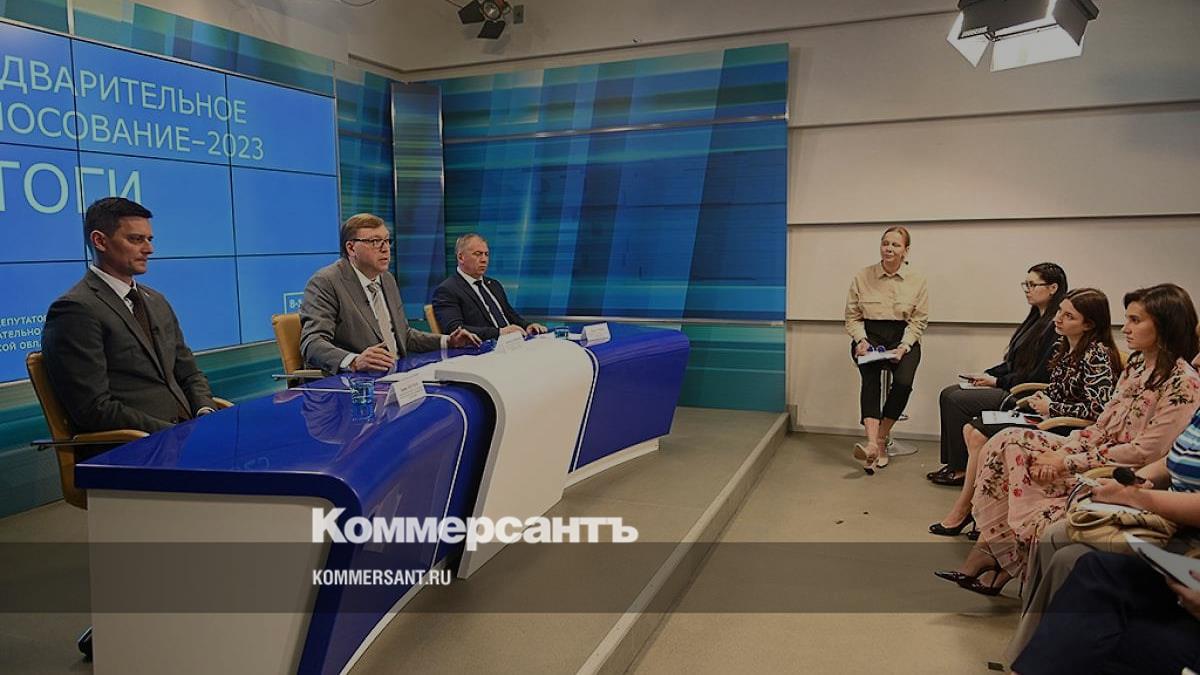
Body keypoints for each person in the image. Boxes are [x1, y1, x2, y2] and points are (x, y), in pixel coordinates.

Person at [935, 284, 1200, 596]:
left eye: (1135, 320)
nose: (1125, 328)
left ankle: (994, 558)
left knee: (1023, 463)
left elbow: (1144, 452)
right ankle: (992, 551)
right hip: (1092, 448)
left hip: (1119, 469)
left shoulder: (1183, 383)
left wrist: (1066, 461)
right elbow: (1102, 423)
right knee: (1006, 441)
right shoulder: (1137, 364)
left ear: (1165, 325)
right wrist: (1067, 450)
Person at [930, 288, 1122, 537]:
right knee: (970, 429)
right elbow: (1059, 389)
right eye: (1060, 312)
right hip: (1049, 417)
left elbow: (1099, 408)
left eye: (1069, 316)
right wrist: (1043, 398)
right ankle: (979, 510)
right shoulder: (1064, 346)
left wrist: (1051, 407)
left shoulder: (1097, 355)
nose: (1058, 319)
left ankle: (967, 509)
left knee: (978, 435)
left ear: (1089, 324)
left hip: (1068, 426)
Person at [41, 197, 217, 434]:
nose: (149, 249)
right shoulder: (75, 309)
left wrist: (204, 410)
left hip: (185, 434)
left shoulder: (156, 300)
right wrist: (172, 433)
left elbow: (190, 373)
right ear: (100, 241)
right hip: (136, 444)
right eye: (136, 239)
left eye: (149, 239)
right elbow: (94, 409)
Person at [929, 263, 1068, 487]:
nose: (1027, 290)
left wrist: (997, 381)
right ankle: (955, 464)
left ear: (1053, 288)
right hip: (1013, 383)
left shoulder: (1055, 329)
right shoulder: (1034, 320)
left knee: (955, 399)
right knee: (949, 393)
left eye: (1033, 285)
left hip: (1024, 393)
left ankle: (962, 469)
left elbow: (1037, 376)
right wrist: (987, 374)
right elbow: (1013, 362)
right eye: (1025, 285)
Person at [300, 214, 480, 373]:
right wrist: (354, 361)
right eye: (375, 241)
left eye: (387, 241)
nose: (385, 248)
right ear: (351, 248)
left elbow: (404, 336)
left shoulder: (387, 279)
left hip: (400, 375)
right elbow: (312, 343)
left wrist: (448, 342)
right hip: (357, 383)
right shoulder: (326, 282)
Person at [844, 226, 929, 473]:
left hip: (903, 337)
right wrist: (861, 340)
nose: (889, 248)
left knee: (903, 382)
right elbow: (852, 317)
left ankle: (881, 437)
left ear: (905, 250)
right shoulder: (862, 276)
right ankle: (872, 445)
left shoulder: (918, 279)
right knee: (870, 380)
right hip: (869, 337)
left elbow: (919, 320)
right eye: (885, 243)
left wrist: (904, 345)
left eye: (895, 245)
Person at [431, 233, 547, 341]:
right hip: (483, 350)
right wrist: (499, 332)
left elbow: (510, 315)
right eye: (478, 254)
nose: (484, 260)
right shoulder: (447, 290)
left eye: (486, 254)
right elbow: (455, 330)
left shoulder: (494, 285)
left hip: (513, 344)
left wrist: (528, 326)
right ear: (461, 257)